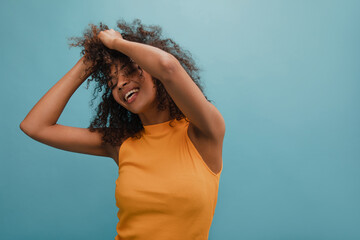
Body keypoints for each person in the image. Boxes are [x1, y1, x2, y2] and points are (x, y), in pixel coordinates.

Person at [20, 18, 225, 240]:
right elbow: (35, 126)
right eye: (112, 81)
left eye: (129, 70)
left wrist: (117, 43)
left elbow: (168, 67)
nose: (120, 83)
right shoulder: (121, 142)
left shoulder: (204, 130)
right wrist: (91, 60)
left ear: (150, 67)